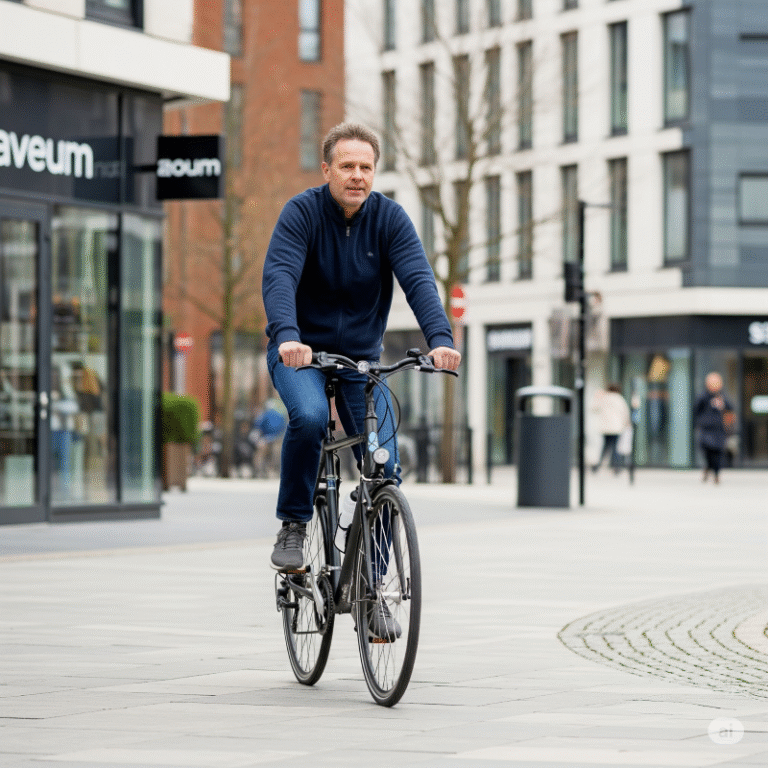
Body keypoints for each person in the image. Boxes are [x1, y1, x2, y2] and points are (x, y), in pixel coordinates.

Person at [261, 122, 461, 588]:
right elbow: (280, 275)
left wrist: (441, 338)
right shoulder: (301, 213)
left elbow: (418, 278)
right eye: (347, 165)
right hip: (300, 354)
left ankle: (371, 586)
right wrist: (288, 335)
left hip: (361, 362)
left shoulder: (390, 219)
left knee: (385, 465)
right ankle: (294, 524)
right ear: (327, 169)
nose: (357, 175)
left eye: (366, 167)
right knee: (311, 417)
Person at [694, 371, 734, 484]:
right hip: (706, 429)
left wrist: (722, 406)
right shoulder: (703, 397)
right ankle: (708, 467)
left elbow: (730, 409)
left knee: (718, 453)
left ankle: (716, 474)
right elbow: (696, 410)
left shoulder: (722, 397)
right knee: (708, 452)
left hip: (719, 430)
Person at [591, 383, 631, 473]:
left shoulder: (604, 398)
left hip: (605, 428)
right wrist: (626, 424)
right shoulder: (619, 398)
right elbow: (625, 412)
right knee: (615, 447)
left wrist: (597, 396)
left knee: (605, 447)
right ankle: (616, 467)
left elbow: (594, 408)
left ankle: (597, 466)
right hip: (616, 427)